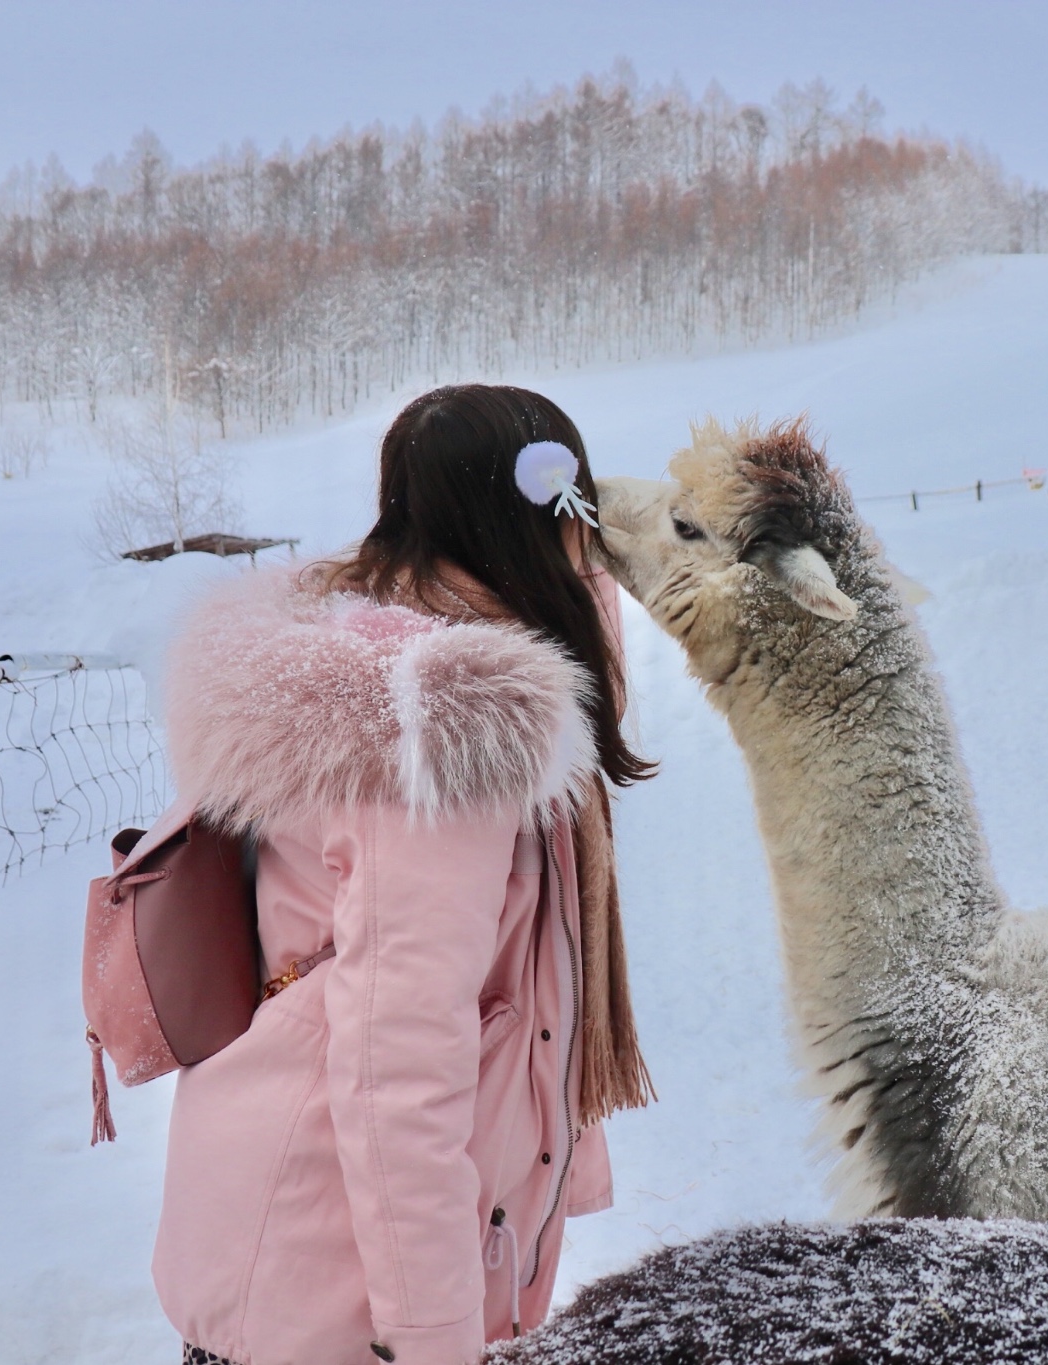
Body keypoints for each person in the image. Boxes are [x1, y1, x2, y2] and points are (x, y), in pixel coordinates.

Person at [151, 385, 656, 1365]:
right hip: (338, 1289)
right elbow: (397, 1065)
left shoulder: (375, 632)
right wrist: (430, 1343)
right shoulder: (439, 737)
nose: (588, 545)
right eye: (575, 517)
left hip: (293, 1231)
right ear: (542, 524)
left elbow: (586, 673)